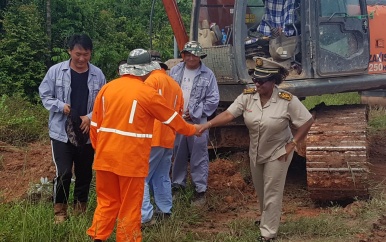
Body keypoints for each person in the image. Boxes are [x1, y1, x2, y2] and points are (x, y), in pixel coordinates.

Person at [86, 49, 201, 242]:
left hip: (105, 159)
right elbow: (171, 118)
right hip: (131, 161)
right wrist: (192, 130)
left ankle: (97, 237)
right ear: (147, 70)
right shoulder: (147, 93)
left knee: (106, 203)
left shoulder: (108, 88)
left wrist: (101, 151)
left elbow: (95, 125)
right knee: (130, 207)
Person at [198, 57, 314, 241]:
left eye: (261, 80)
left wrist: (293, 144)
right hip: (256, 152)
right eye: (255, 79)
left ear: (273, 81)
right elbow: (229, 113)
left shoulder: (287, 100)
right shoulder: (247, 96)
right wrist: (208, 124)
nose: (256, 83)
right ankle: (266, 218)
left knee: (272, 191)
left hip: (278, 152)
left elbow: (307, 120)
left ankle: (268, 233)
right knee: (261, 191)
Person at [39, 33, 106, 224]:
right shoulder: (55, 71)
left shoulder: (98, 74)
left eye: (86, 54)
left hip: (86, 132)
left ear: (90, 53)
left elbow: (104, 102)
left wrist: (90, 117)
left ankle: (80, 208)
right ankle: (60, 210)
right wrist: (61, 106)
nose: (82, 58)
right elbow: (45, 95)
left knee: (85, 172)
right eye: (78, 54)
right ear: (70, 51)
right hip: (61, 132)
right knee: (65, 172)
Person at [170, 40, 220, 206]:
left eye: (195, 55)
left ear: (200, 56)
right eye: (188, 54)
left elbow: (213, 99)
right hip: (177, 121)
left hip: (198, 123)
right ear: (183, 56)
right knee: (178, 153)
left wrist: (196, 112)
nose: (191, 58)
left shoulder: (208, 75)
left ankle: (200, 190)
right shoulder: (175, 71)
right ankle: (177, 185)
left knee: (199, 155)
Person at [140, 50, 184, 225]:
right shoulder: (175, 85)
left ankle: (145, 216)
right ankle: (164, 210)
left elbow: (142, 108)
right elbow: (179, 114)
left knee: (140, 178)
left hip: (151, 137)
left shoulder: (149, 82)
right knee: (162, 175)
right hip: (168, 138)